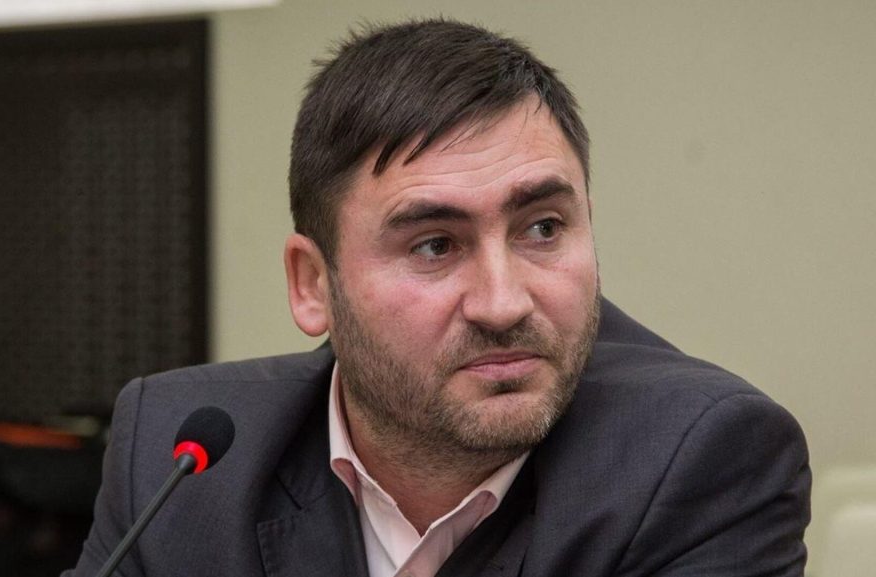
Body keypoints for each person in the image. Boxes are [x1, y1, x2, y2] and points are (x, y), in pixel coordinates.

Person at [66, 19, 809, 577]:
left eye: (543, 228)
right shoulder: (181, 460)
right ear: (313, 285)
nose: (503, 303)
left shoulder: (702, 456)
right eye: (434, 245)